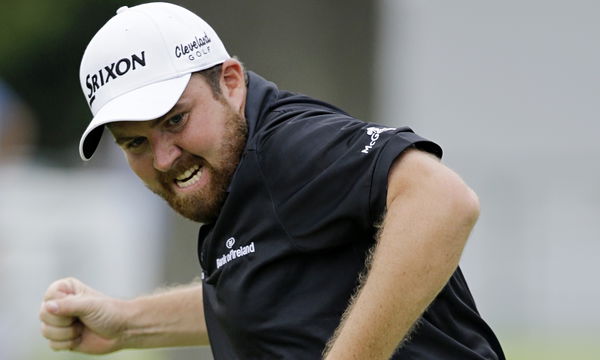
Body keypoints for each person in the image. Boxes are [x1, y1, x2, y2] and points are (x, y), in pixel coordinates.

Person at [39, 3, 505, 359]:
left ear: (232, 80)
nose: (163, 158)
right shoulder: (243, 174)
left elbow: (442, 200)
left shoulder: (288, 145)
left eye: (176, 120)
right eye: (134, 143)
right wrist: (126, 324)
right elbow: (262, 288)